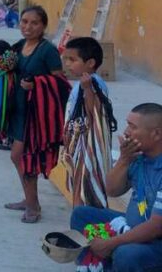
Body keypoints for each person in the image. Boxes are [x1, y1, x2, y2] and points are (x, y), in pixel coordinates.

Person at [69, 103, 162, 271]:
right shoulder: (139, 156)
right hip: (131, 227)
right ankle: (95, 265)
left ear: (156, 134)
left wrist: (110, 243)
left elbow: (156, 227)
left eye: (133, 127)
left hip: (156, 240)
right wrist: (124, 160)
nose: (126, 131)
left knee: (125, 253)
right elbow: (112, 190)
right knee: (81, 215)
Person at [5, 5, 64, 224]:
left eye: (34, 23)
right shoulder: (19, 46)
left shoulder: (48, 50)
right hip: (19, 110)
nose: (28, 27)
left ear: (43, 26)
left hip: (36, 114)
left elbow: (60, 83)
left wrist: (37, 84)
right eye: (24, 22)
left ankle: (33, 208)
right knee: (19, 158)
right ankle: (31, 201)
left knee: (21, 158)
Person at [62, 37, 117, 208]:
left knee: (83, 184)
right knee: (79, 184)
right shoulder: (83, 82)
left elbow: (94, 113)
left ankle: (80, 222)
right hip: (80, 141)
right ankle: (79, 218)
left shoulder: (93, 83)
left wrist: (87, 89)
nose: (68, 64)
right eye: (66, 60)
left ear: (90, 62)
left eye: (73, 60)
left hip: (88, 144)